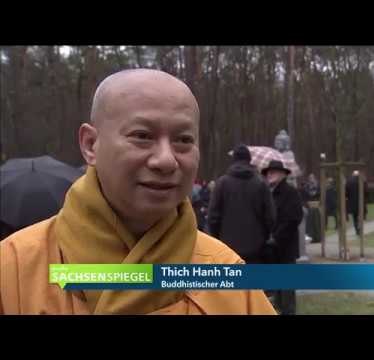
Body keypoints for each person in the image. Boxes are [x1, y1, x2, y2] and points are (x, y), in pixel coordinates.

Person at [0, 69, 276, 315]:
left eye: (183, 140)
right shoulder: (13, 269)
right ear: (90, 145)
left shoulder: (225, 271)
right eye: (142, 136)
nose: (166, 160)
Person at [208, 144, 276, 265]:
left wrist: (217, 239)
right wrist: (263, 237)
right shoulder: (261, 183)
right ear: (249, 160)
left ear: (233, 160)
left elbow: (213, 217)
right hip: (256, 248)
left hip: (227, 247)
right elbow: (270, 217)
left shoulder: (222, 183)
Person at [262, 160, 303, 315]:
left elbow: (294, 218)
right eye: (268, 172)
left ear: (283, 174)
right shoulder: (269, 192)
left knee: (287, 287)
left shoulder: (290, 192)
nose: (270, 174)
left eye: (273, 172)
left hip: (285, 246)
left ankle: (287, 311)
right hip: (272, 249)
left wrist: (277, 237)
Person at [345, 170, 368, 236]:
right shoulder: (362, 181)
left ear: (353, 174)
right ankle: (360, 228)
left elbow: (346, 192)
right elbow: (366, 191)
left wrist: (348, 198)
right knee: (361, 216)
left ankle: (357, 230)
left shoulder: (349, 181)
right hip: (361, 202)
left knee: (355, 217)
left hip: (353, 202)